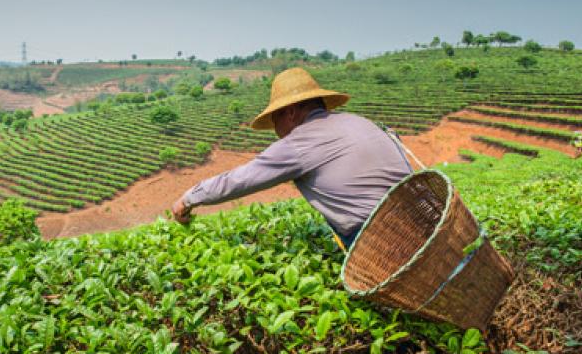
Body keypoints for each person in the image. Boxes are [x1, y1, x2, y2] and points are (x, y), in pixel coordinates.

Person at [171, 67, 413, 249]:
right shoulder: (361, 122)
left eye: (275, 119)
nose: (275, 128)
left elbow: (240, 179)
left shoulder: (299, 143)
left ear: (291, 112)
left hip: (380, 241)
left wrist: (190, 197)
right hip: (422, 217)